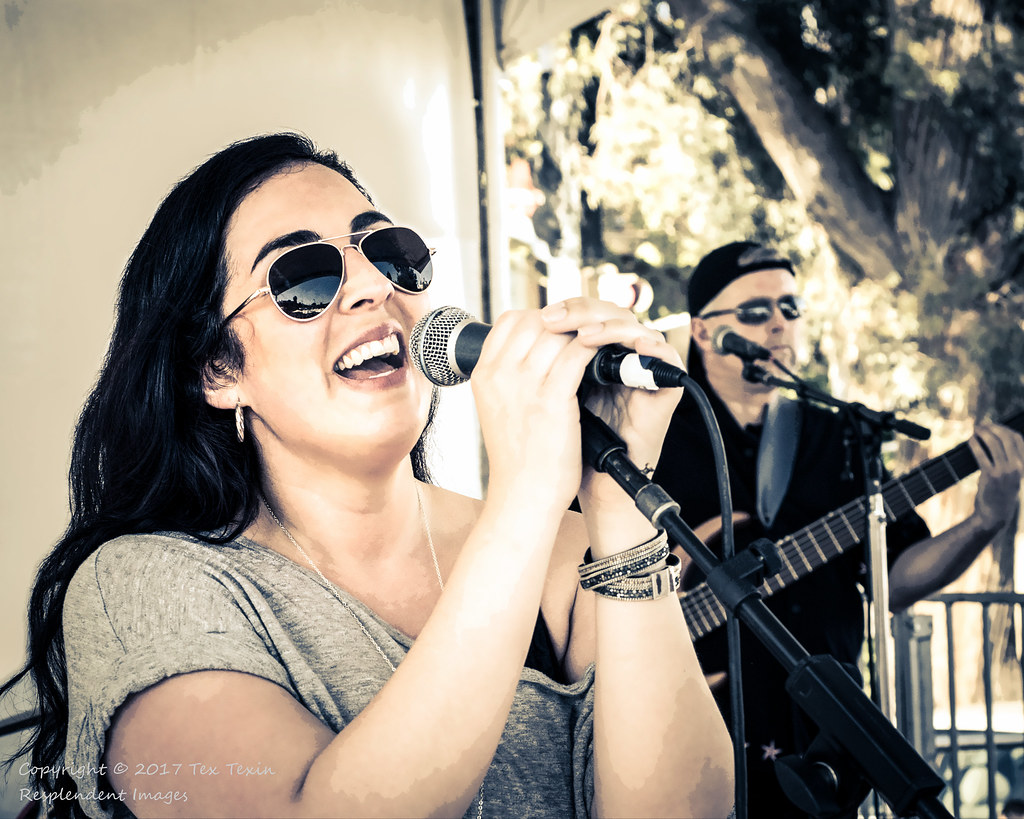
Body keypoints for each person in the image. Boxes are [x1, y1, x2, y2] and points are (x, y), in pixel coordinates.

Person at [1, 133, 733, 819]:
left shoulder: (568, 553)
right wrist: (524, 494)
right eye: (303, 276)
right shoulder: (142, 587)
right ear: (218, 369)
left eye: (389, 251)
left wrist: (618, 502)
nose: (372, 286)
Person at [653, 241, 1024, 818]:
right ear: (703, 332)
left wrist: (987, 520)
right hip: (683, 724)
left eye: (791, 308)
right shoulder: (655, 437)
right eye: (755, 312)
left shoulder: (842, 436)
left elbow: (895, 581)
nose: (779, 324)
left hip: (818, 738)